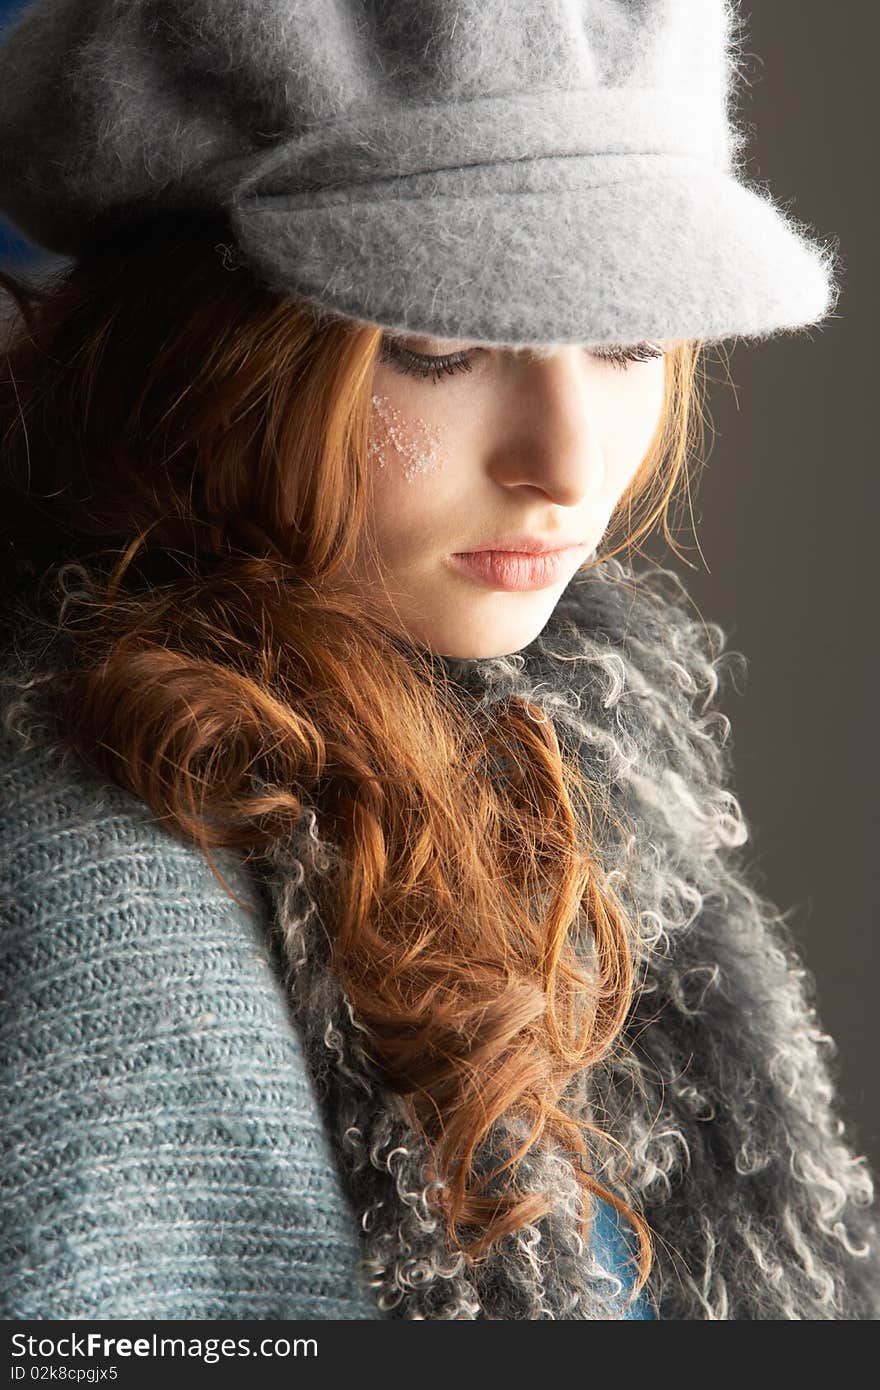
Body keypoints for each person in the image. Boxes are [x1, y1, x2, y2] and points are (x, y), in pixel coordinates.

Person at [0, 0, 877, 1322]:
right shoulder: (111, 902)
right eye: (441, 343)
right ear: (202, 344)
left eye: (631, 335)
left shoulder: (568, 760)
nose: (567, 463)